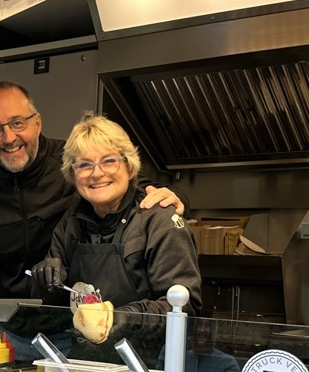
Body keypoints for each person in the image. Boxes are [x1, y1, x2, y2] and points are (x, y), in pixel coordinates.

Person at [0, 81, 185, 299]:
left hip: (68, 316)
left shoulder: (74, 159)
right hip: (7, 317)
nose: (9, 138)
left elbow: (128, 183)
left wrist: (175, 198)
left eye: (17, 123)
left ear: (37, 122)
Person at [31, 116, 202, 349]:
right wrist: (46, 284)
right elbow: (54, 315)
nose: (97, 173)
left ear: (130, 167)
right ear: (72, 175)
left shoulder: (159, 221)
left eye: (109, 161)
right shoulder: (70, 224)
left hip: (151, 368)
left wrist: (125, 317)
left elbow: (184, 308)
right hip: (88, 364)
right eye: (84, 165)